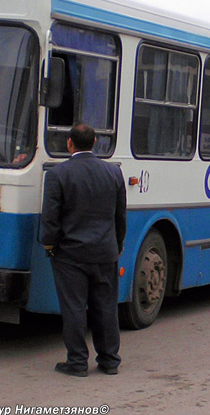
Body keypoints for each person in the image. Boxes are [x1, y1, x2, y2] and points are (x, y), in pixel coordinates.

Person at [40, 123, 127, 377]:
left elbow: (50, 219)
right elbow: (119, 217)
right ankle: (110, 360)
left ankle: (77, 362)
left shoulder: (58, 174)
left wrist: (50, 246)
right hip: (105, 253)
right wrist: (117, 245)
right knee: (106, 308)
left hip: (70, 255)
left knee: (74, 308)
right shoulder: (113, 173)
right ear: (96, 143)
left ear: (69, 143)